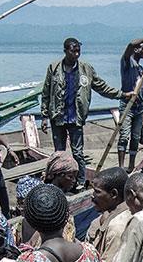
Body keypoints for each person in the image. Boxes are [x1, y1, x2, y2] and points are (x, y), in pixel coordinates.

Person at [40, 37, 131, 189]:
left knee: (78, 153)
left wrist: (122, 95)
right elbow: (46, 92)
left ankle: (80, 182)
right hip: (58, 117)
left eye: (78, 51)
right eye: (73, 51)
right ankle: (58, 182)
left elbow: (101, 87)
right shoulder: (54, 68)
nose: (76, 54)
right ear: (65, 51)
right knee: (59, 153)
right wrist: (44, 116)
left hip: (76, 117)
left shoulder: (86, 69)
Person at [117, 35, 143, 170]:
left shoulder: (141, 70)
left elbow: (142, 92)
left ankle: (131, 165)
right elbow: (130, 45)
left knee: (135, 137)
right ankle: (121, 167)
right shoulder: (127, 62)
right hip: (127, 105)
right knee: (124, 136)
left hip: (139, 108)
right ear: (136, 50)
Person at [86, 166, 132, 262]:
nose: (92, 195)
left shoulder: (117, 228)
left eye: (97, 191)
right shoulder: (104, 217)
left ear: (113, 194)